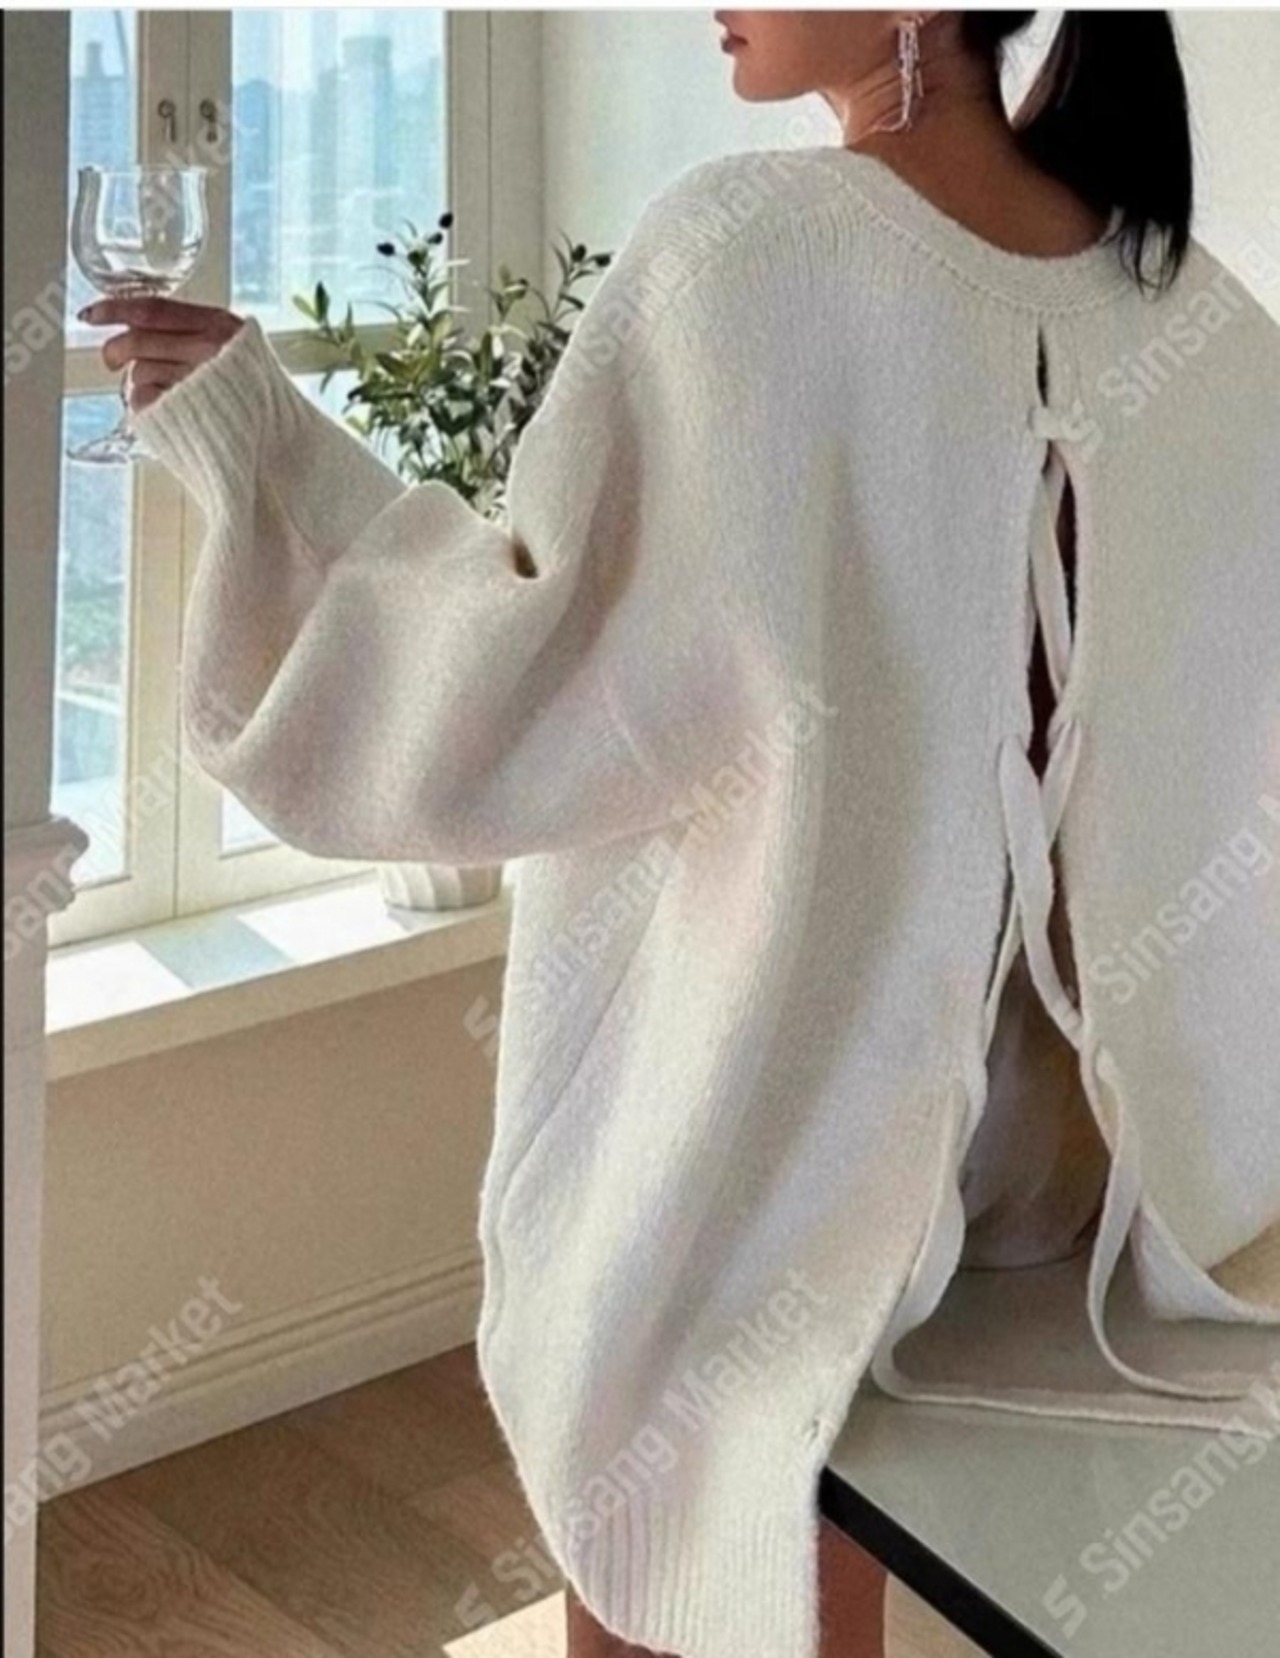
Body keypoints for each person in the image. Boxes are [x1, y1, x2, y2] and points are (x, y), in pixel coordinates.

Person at [83, 11, 1278, 1658]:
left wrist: (253, 442)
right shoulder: (1208, 324)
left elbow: (520, 688)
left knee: (679, 1545)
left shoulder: (751, 254)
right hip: (1065, 1217)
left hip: (764, 1191)